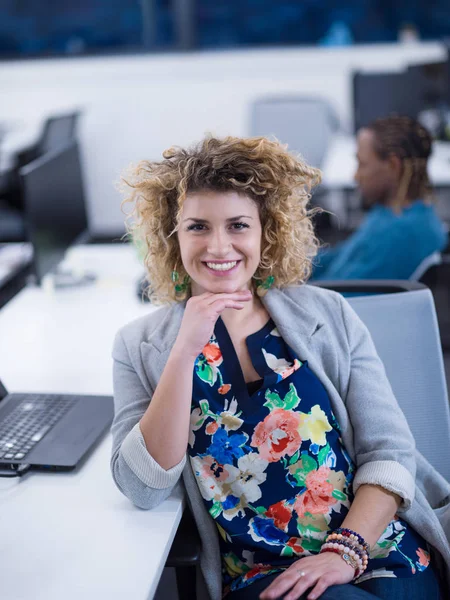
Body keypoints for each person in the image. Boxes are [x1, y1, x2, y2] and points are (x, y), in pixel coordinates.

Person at [111, 136, 450, 600]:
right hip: (267, 575)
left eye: (237, 225)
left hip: (374, 546)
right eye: (197, 227)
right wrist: (184, 350)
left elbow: (389, 454)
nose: (218, 245)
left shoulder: (329, 315)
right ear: (172, 234)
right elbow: (142, 486)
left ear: (264, 231)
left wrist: (342, 553)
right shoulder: (139, 345)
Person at [311, 116, 448, 281]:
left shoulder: (401, 233)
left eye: (362, 164)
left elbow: (344, 297)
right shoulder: (389, 213)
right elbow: (341, 257)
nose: (356, 176)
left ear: (392, 165)